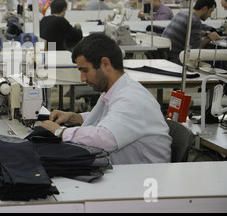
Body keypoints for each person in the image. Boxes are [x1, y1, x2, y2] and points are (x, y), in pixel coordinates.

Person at [39, 33, 172, 165]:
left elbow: (107, 138)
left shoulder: (131, 98)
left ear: (105, 63)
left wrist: (60, 131)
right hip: (127, 170)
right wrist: (72, 117)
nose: (82, 79)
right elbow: (109, 118)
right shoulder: (116, 90)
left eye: (85, 71)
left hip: (144, 176)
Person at [161, 0, 219, 64]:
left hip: (166, 56)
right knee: (216, 61)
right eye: (211, 11)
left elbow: (189, 30)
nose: (210, 15)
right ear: (204, 9)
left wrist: (206, 34)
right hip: (176, 59)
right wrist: (209, 38)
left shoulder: (182, 14)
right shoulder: (195, 21)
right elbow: (196, 50)